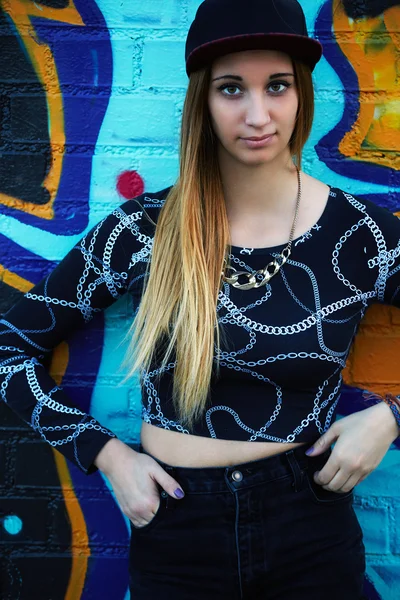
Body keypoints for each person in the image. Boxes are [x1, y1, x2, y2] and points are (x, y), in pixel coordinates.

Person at [1, 0, 400, 598]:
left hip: (311, 528)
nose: (258, 114)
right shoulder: (147, 230)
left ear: (301, 96)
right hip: (178, 530)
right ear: (203, 102)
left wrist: (391, 418)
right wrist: (108, 455)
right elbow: (12, 347)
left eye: (279, 86)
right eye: (232, 88)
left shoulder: (362, 234)